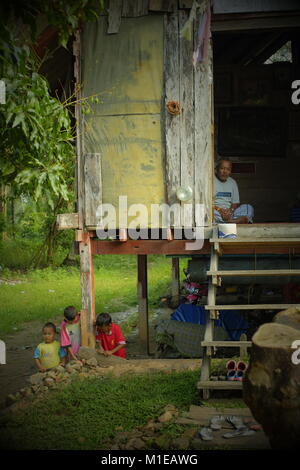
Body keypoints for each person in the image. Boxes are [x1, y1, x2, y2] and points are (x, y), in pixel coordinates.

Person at [214, 158, 254, 224]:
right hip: (216, 211)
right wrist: (220, 210)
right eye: (222, 168)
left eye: (228, 169)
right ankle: (236, 221)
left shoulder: (232, 182)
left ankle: (230, 221)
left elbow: (235, 203)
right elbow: (208, 203)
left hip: (230, 213)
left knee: (248, 207)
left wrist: (230, 211)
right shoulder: (211, 180)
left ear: (230, 171)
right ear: (217, 169)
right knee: (207, 211)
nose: (225, 171)